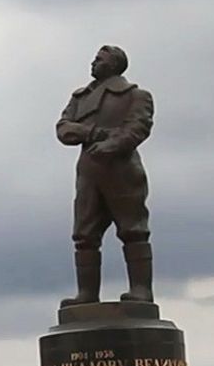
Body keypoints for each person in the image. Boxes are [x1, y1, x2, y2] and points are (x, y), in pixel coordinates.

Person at [56, 45, 154, 306]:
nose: (93, 63)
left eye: (99, 59)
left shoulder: (136, 96)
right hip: (89, 171)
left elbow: (138, 128)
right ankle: (87, 295)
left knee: (134, 230)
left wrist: (111, 145)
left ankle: (141, 290)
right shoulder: (80, 97)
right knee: (84, 235)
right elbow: (64, 128)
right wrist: (91, 134)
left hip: (122, 170)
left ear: (114, 64)